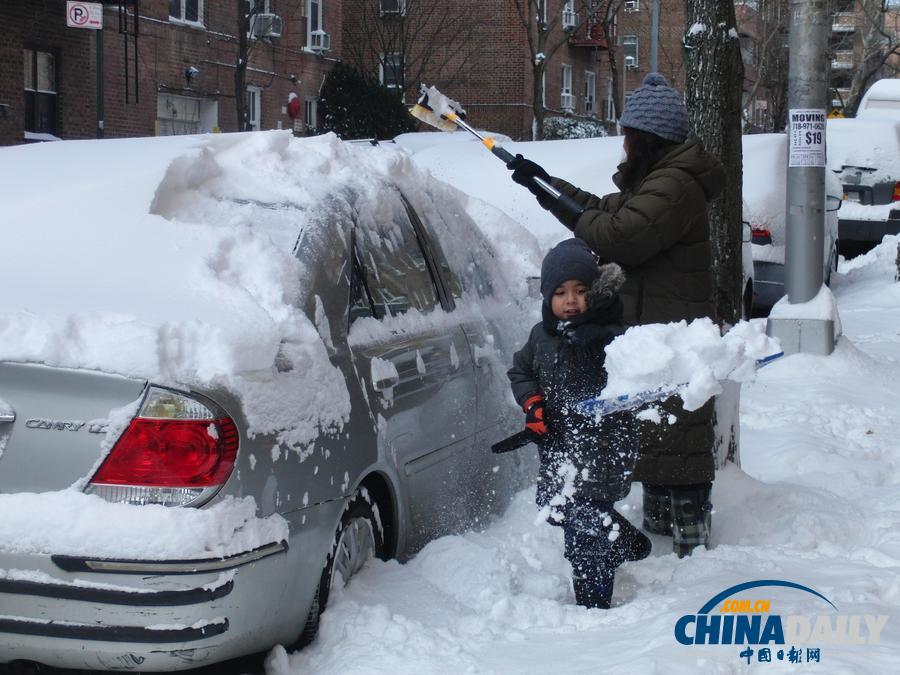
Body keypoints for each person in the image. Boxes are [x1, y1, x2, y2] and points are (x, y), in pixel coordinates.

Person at [507, 73, 726, 558]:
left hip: (671, 331)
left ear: (647, 138)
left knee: (677, 439)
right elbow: (601, 210)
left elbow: (619, 235)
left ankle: (690, 556)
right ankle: (664, 540)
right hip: (658, 325)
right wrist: (544, 185)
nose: (623, 144)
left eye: (628, 134)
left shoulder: (674, 185)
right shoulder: (659, 179)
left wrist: (555, 195)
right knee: (661, 436)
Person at [507, 238, 651, 609]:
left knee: (584, 527)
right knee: (555, 506)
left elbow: (637, 372)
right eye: (559, 292)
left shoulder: (611, 335)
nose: (570, 301)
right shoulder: (541, 336)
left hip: (604, 446)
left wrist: (598, 337)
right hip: (558, 445)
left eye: (580, 291)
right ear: (546, 296)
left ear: (596, 293)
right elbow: (521, 371)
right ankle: (625, 542)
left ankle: (593, 605)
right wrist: (533, 405)